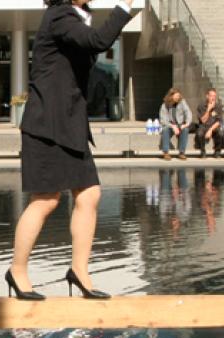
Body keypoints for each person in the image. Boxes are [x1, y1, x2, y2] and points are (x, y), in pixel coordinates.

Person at [9, 0, 133, 301]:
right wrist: (124, 6)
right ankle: (17, 271)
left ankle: (79, 271)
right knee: (45, 200)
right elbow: (99, 41)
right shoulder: (59, 16)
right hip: (47, 125)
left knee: (89, 195)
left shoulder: (77, 18)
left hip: (71, 125)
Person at [158, 87, 193, 160]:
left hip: (180, 124)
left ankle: (181, 153)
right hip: (170, 125)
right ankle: (166, 153)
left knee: (185, 130)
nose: (178, 97)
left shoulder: (182, 102)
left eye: (179, 96)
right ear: (171, 96)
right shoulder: (165, 105)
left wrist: (187, 123)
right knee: (165, 130)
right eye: (176, 96)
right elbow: (163, 120)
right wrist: (173, 126)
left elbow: (188, 112)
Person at [195, 88, 223, 158]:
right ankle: (203, 151)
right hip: (203, 126)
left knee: (220, 133)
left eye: (214, 96)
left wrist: (210, 130)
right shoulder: (201, 106)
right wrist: (208, 109)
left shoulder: (218, 106)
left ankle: (217, 151)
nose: (213, 98)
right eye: (211, 96)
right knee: (199, 133)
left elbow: (219, 121)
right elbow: (203, 121)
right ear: (207, 96)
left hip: (214, 126)